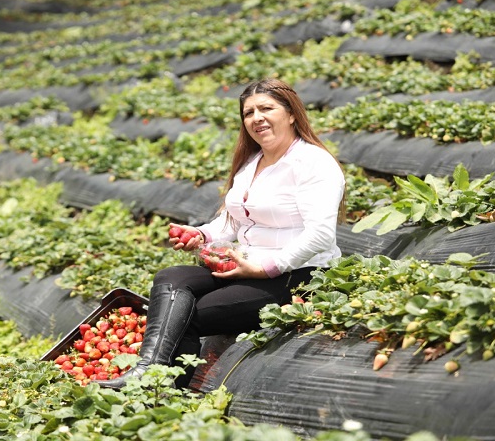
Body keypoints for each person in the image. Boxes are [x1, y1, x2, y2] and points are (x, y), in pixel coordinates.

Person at [96, 78, 346, 390]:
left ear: (292, 113)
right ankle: (148, 371)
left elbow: (321, 235)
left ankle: (170, 392)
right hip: (246, 263)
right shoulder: (252, 163)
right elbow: (234, 223)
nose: (257, 118)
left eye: (266, 108)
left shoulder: (313, 163)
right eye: (248, 112)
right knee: (172, 277)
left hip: (298, 273)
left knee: (189, 315)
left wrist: (264, 268)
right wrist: (201, 234)